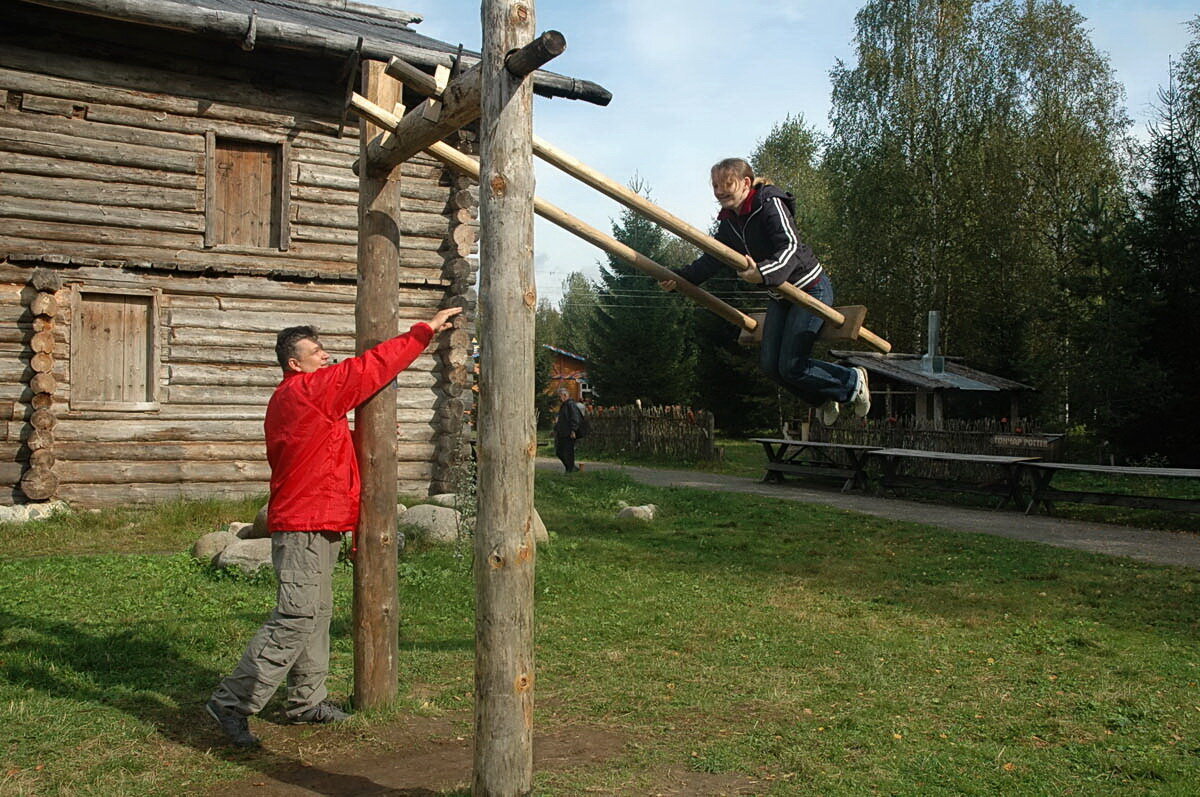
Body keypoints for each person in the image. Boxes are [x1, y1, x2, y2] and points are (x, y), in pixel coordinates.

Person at [206, 305, 462, 748]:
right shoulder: (305, 392)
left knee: (317, 613)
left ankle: (306, 702)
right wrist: (425, 332)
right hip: (304, 522)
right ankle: (231, 703)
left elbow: (334, 441)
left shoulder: (301, 399)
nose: (327, 357)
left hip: (318, 521)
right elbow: (371, 368)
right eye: (318, 351)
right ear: (294, 362)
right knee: (297, 614)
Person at [661, 158, 869, 425]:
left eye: (727, 184)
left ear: (746, 183)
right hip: (780, 297)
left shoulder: (769, 203)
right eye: (715, 186)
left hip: (810, 289)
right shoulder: (729, 223)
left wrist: (764, 272)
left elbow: (790, 247)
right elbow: (713, 258)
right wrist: (680, 278)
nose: (720, 191)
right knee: (771, 367)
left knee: (792, 365)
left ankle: (852, 380)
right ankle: (822, 398)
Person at [553, 387, 584, 473]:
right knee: (559, 451)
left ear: (565, 395)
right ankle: (570, 467)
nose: (559, 398)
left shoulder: (571, 404)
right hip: (562, 432)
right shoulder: (564, 405)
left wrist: (573, 430)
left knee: (568, 452)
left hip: (569, 433)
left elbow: (575, 418)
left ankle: (570, 469)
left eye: (560, 396)